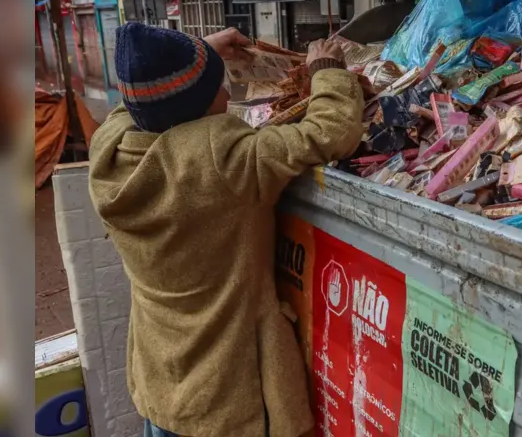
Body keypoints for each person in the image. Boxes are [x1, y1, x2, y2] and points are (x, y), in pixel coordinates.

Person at [88, 23, 363, 437]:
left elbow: (137, 104)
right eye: (219, 86)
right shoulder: (224, 161)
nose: (227, 93)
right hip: (228, 398)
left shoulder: (108, 150)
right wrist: (326, 70)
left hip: (163, 382)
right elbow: (331, 131)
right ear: (198, 107)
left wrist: (202, 52)